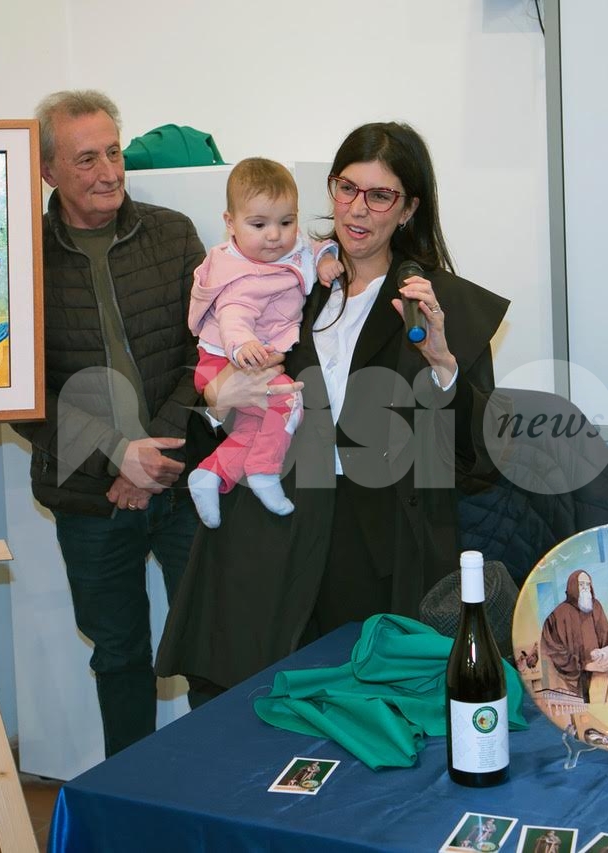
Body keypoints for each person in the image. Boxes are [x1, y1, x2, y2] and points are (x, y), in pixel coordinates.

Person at [157, 122, 510, 701]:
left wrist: (443, 363)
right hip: (277, 528)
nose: (358, 209)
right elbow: (214, 388)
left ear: (409, 208)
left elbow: (479, 458)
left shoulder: (434, 304)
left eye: (381, 195)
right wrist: (218, 401)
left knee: (369, 710)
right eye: (347, 188)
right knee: (255, 707)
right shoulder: (289, 275)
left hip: (382, 540)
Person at [11, 89, 205, 756]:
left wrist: (154, 458)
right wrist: (117, 455)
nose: (109, 172)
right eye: (87, 159)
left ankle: (222, 796)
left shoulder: (174, 234)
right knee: (119, 655)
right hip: (89, 497)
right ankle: (130, 794)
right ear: (47, 171)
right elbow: (22, 393)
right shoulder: (19, 259)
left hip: (183, 484)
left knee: (207, 646)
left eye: (114, 152)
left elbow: (207, 353)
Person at [186, 157, 343, 527]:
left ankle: (210, 475)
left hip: (243, 361)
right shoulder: (242, 274)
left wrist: (325, 259)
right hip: (227, 362)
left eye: (286, 222)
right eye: (259, 225)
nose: (275, 235)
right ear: (230, 223)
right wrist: (242, 346)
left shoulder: (287, 249)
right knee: (288, 402)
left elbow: (311, 246)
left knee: (252, 428)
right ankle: (263, 470)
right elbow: (234, 315)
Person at [539, 569, 608, 701]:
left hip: (598, 674)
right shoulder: (558, 614)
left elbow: (606, 635)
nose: (585, 588)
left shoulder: (595, 606)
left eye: (588, 584)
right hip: (574, 679)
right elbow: (554, 650)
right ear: (573, 586)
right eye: (581, 584)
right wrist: (586, 666)